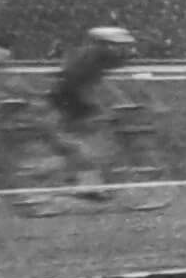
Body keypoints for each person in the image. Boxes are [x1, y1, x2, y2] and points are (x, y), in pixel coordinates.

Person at [47, 26, 137, 189]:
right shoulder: (95, 57)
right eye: (120, 46)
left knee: (81, 139)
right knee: (90, 140)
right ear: (107, 45)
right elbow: (86, 84)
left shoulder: (88, 55)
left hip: (67, 97)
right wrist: (103, 107)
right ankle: (85, 181)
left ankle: (79, 177)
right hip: (72, 99)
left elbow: (95, 81)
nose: (124, 50)